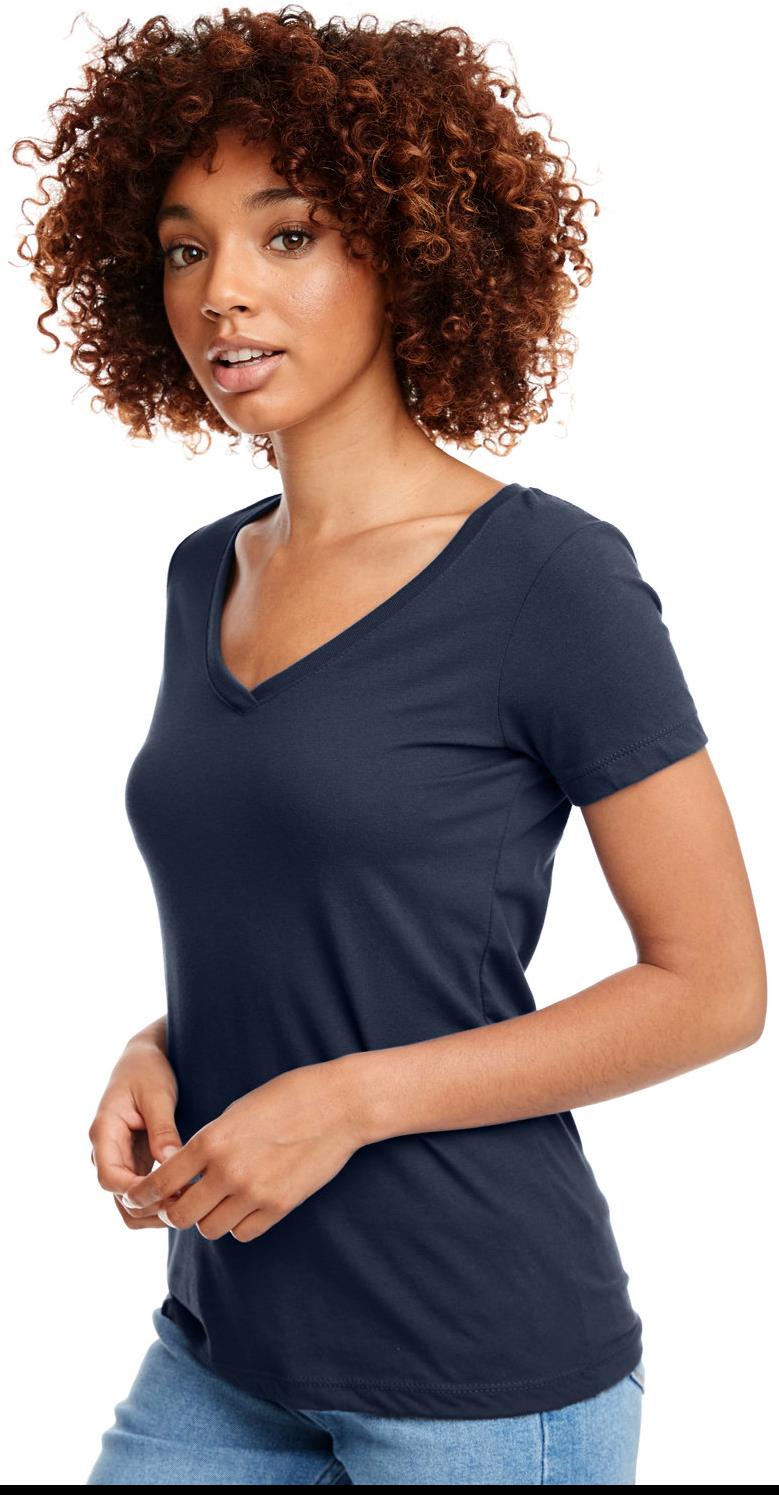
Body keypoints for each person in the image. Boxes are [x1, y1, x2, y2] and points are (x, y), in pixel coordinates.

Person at [15, 6, 766, 1485]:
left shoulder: (549, 579)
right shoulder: (203, 573)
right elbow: (313, 923)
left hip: (475, 1371)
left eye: (287, 234)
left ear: (410, 255)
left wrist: (346, 1102)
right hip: (227, 1340)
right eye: (183, 249)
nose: (222, 292)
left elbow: (716, 988)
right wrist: (160, 1046)